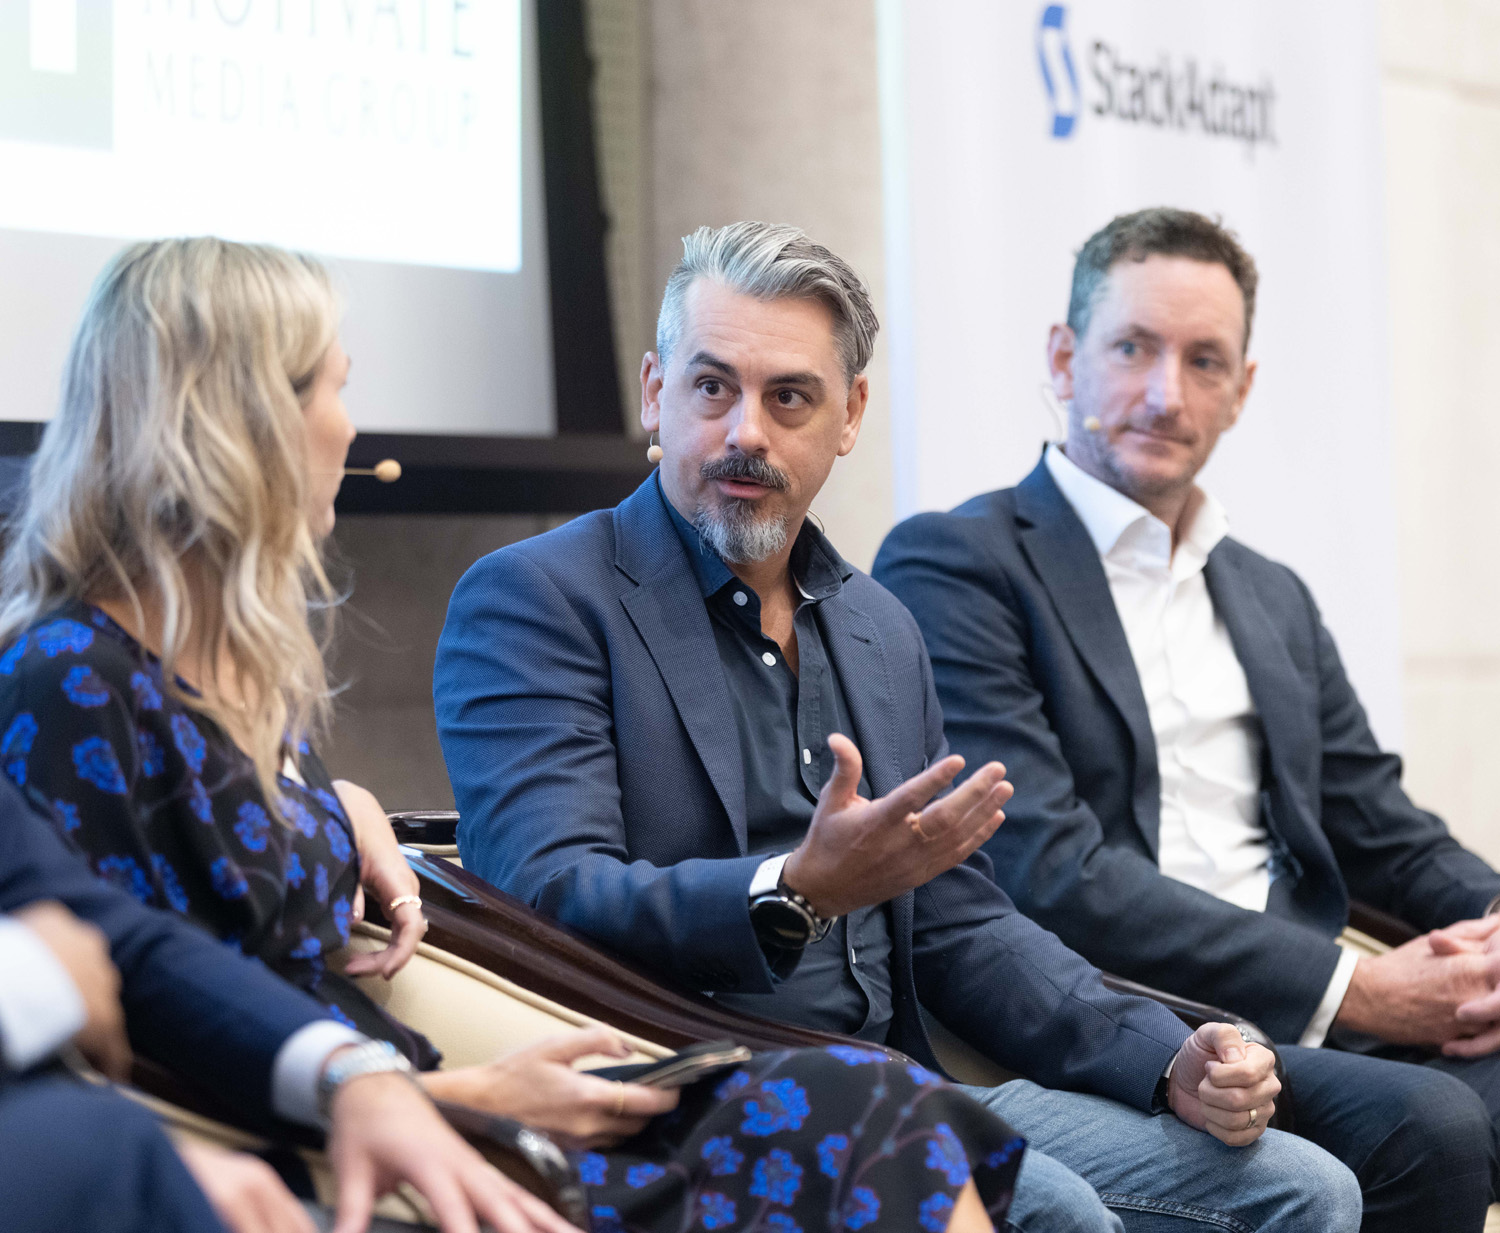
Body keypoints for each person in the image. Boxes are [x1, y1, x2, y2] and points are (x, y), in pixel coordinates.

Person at [0, 235, 1025, 1233]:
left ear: (850, 415)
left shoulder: (233, 680)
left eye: (789, 396)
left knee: (875, 1108)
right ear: (235, 424)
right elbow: (126, 1003)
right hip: (330, 1142)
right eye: (331, 389)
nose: (351, 430)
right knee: (874, 1118)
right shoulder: (68, 683)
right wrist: (445, 1095)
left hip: (412, 1093)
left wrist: (340, 809)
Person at [434, 219, 1364, 1233]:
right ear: (656, 393)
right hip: (696, 1086)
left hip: (907, 1082)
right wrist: (790, 893)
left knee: (1306, 1190)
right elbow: (548, 894)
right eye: (712, 387)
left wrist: (1164, 1055)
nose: (746, 432)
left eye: (790, 397)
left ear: (850, 416)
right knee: (1057, 1211)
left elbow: (960, 922)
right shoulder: (537, 599)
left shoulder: (878, 627)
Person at [873, 205, 1500, 1232]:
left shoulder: (1269, 593)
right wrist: (1354, 989)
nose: (1166, 394)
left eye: (1204, 361)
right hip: (1142, 1018)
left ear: (1241, 389)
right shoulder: (958, 564)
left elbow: (1379, 824)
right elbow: (1047, 868)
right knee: (1432, 1125)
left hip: (1307, 1001)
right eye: (1133, 348)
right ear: (1064, 357)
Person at [0, 768, 574, 1233]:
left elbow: (122, 935)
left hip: (336, 1061)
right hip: (112, 1153)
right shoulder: (76, 679)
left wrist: (353, 1073)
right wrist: (32, 973)